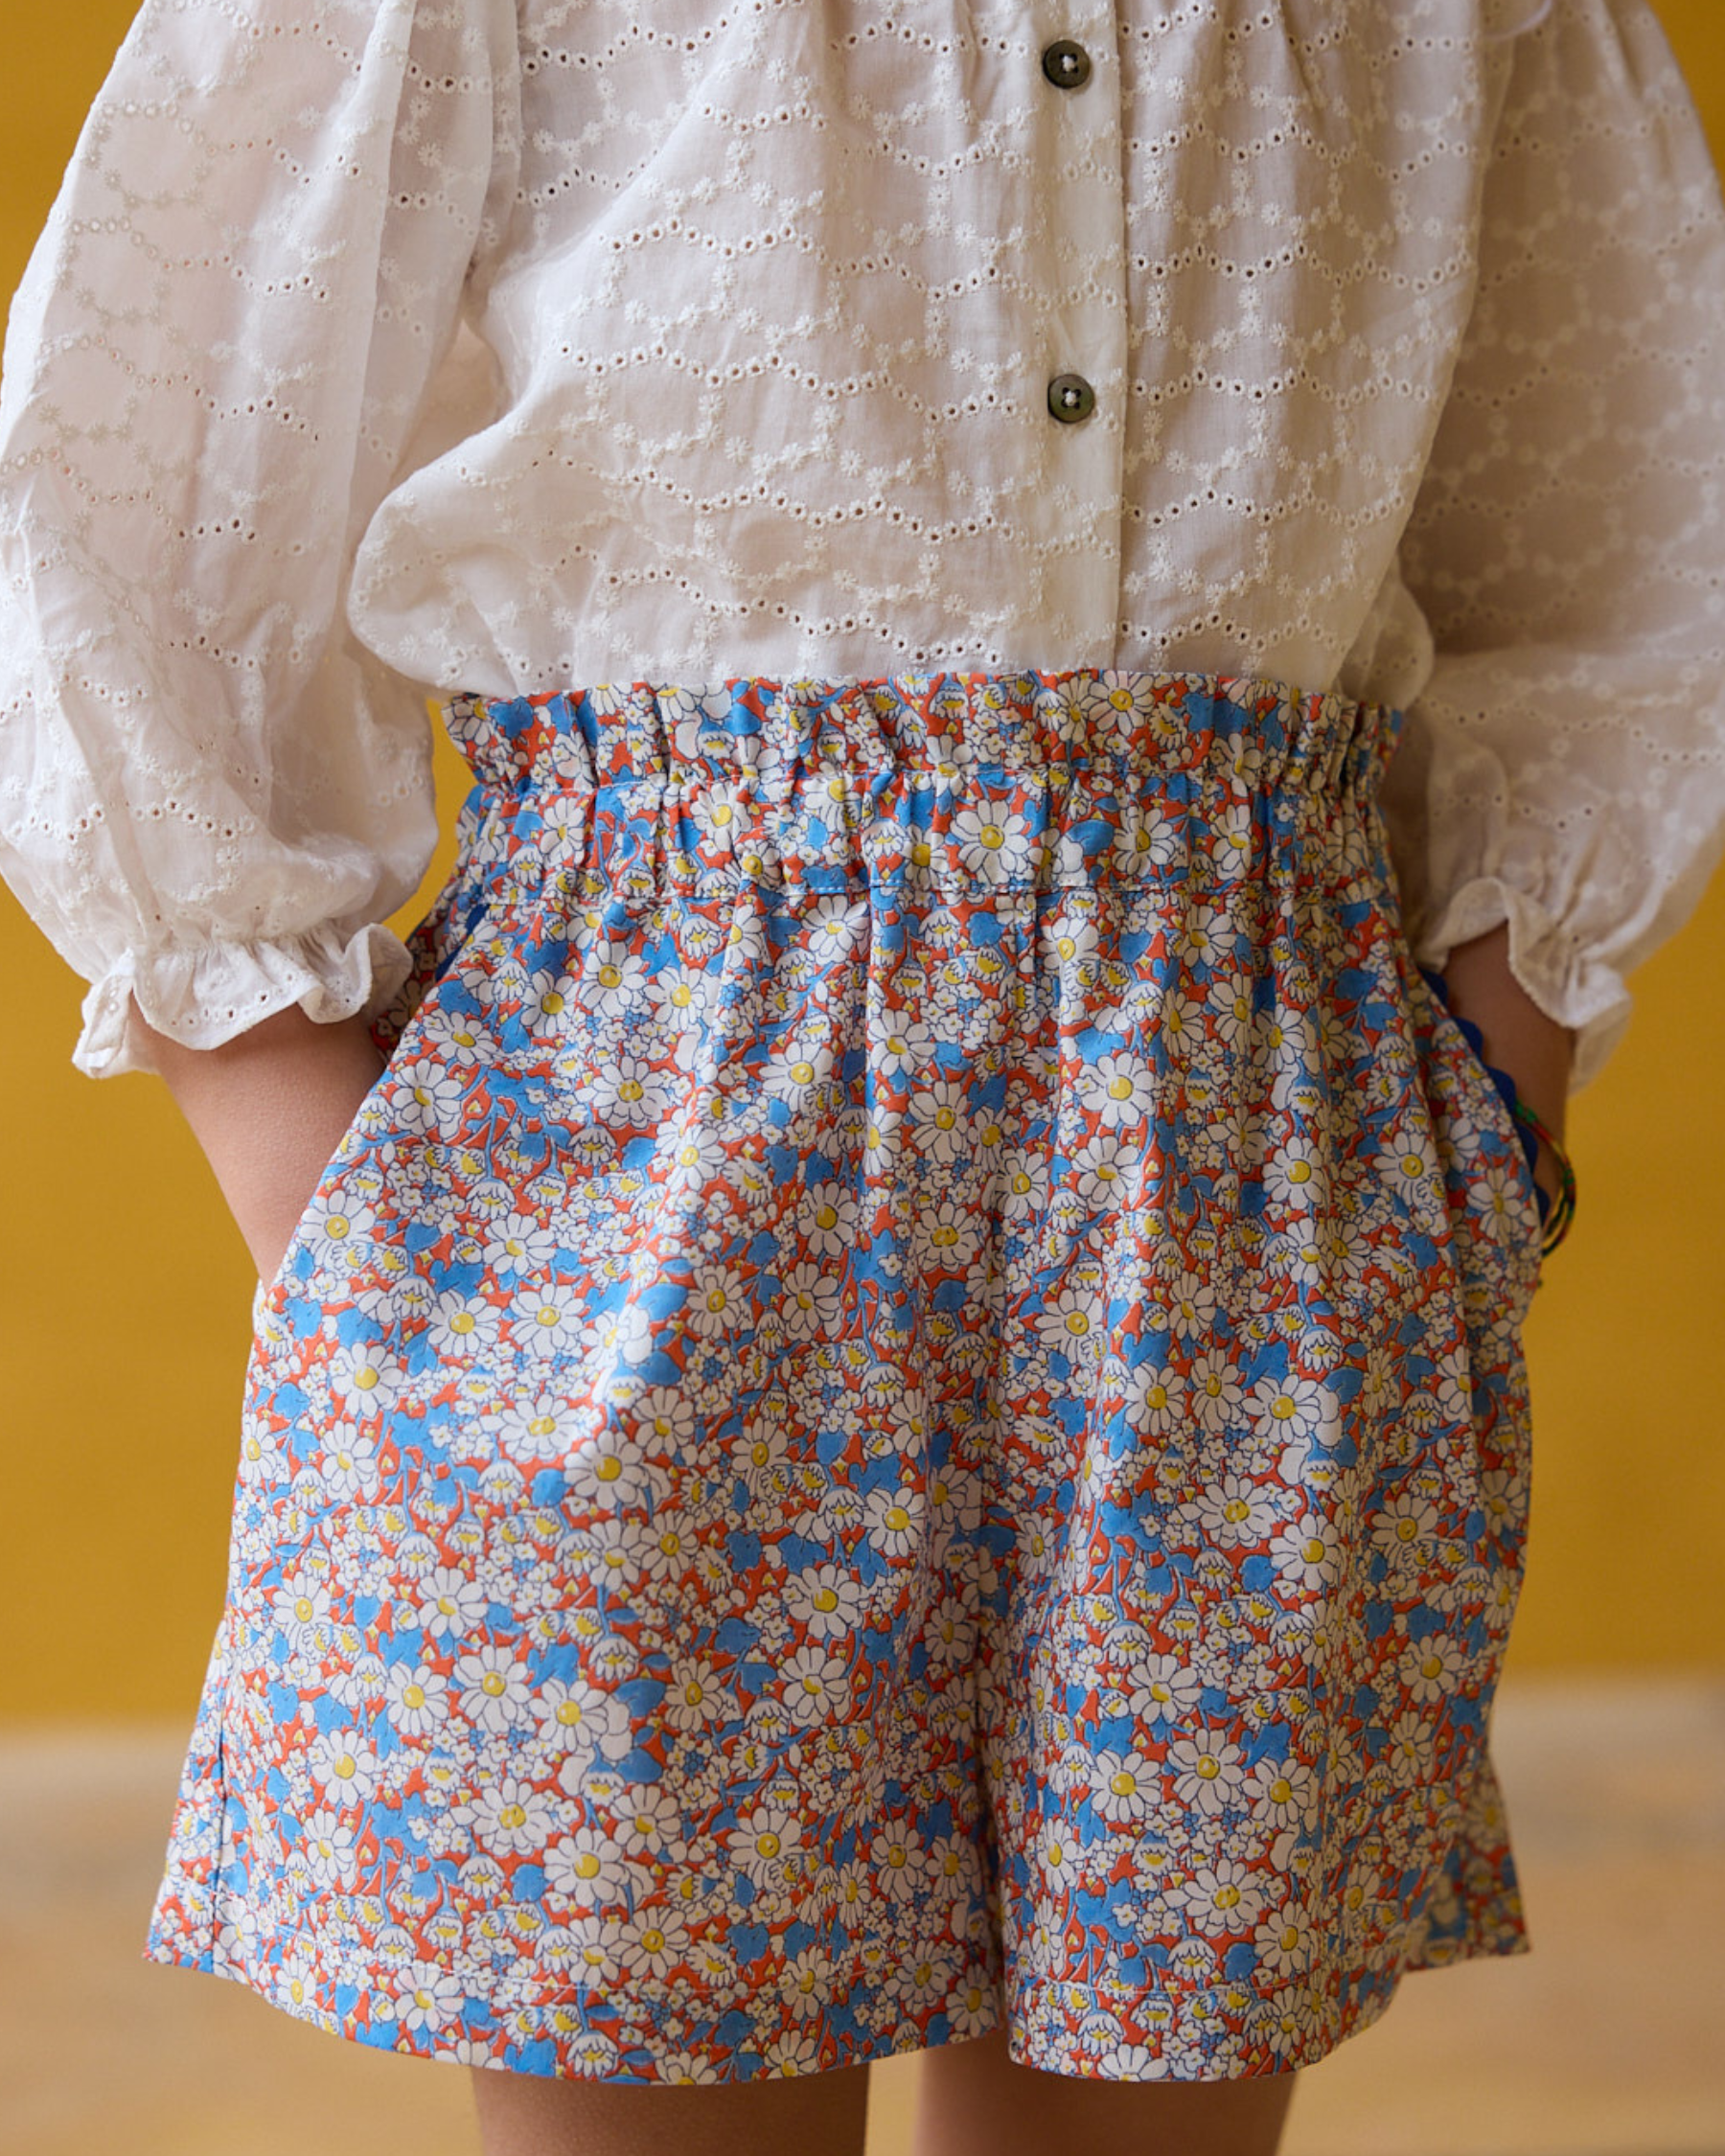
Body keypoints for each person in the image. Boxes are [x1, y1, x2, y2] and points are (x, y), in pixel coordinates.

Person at [2, 2, 1722, 2152]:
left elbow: (1621, 532)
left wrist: (1493, 1106)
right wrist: (351, 1221)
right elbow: (131, 492)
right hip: (623, 1173)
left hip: (1235, 1173)